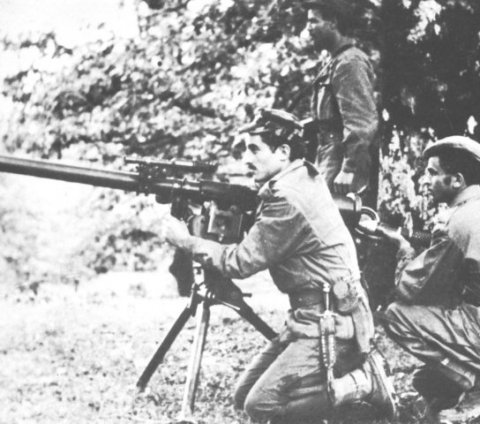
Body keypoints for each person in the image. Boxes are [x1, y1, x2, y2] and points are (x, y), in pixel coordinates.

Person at [160, 114, 397, 423]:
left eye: (255, 149)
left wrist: (186, 240)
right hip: (316, 314)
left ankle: (363, 384)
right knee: (243, 396)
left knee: (260, 406)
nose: (247, 159)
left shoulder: (286, 198)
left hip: (331, 323)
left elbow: (239, 262)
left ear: (283, 152)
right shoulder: (300, 177)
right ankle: (345, 401)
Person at [378, 136, 480, 418]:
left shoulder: (457, 221)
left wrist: (403, 249)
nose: (425, 180)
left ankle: (472, 381)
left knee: (396, 315)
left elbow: (414, 288)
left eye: (433, 173)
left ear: (457, 180)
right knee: (425, 381)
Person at [302, 0, 379, 207]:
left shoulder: (350, 62)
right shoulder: (335, 61)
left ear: (333, 22)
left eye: (313, 21)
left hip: (341, 163)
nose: (308, 28)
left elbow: (360, 121)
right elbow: (328, 118)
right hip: (328, 156)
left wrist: (349, 168)